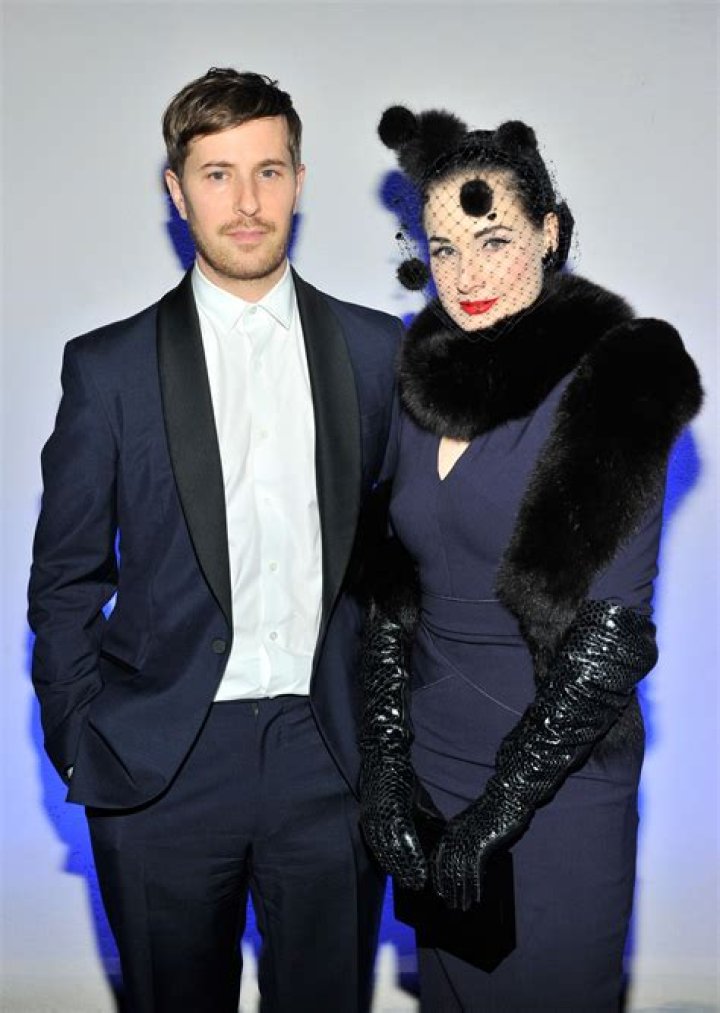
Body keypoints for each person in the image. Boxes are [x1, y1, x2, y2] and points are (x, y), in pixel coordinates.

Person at [27, 68, 403, 1013]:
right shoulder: (108, 368)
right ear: (176, 190)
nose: (246, 202)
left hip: (331, 756)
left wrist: (400, 740)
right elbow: (66, 578)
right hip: (163, 767)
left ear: (300, 182)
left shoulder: (377, 353)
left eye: (268, 171)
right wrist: (84, 741)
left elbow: (411, 563)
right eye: (217, 173)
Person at [359, 105, 703, 1010]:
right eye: (443, 248)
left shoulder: (621, 374)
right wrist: (386, 767)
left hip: (556, 791)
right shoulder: (420, 377)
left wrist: (501, 807)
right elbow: (390, 588)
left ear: (549, 233)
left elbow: (609, 638)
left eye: (494, 239)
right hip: (435, 772)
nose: (466, 274)